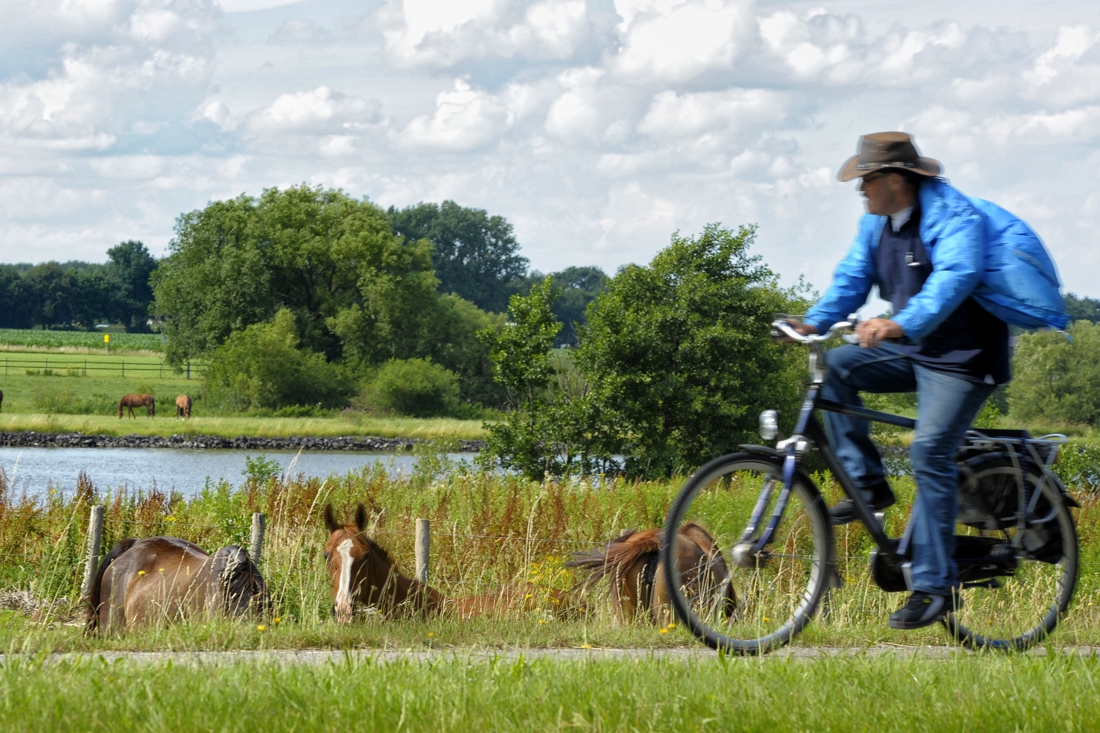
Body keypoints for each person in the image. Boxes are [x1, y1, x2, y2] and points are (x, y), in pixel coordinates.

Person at [787, 131, 1010, 630]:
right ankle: (868, 487)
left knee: (929, 452)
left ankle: (933, 588)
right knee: (837, 368)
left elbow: (955, 278)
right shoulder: (878, 223)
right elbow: (852, 278)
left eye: (866, 179)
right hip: (915, 349)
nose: (860, 189)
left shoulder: (954, 217)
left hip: (964, 359)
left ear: (895, 179)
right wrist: (814, 323)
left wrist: (900, 323)